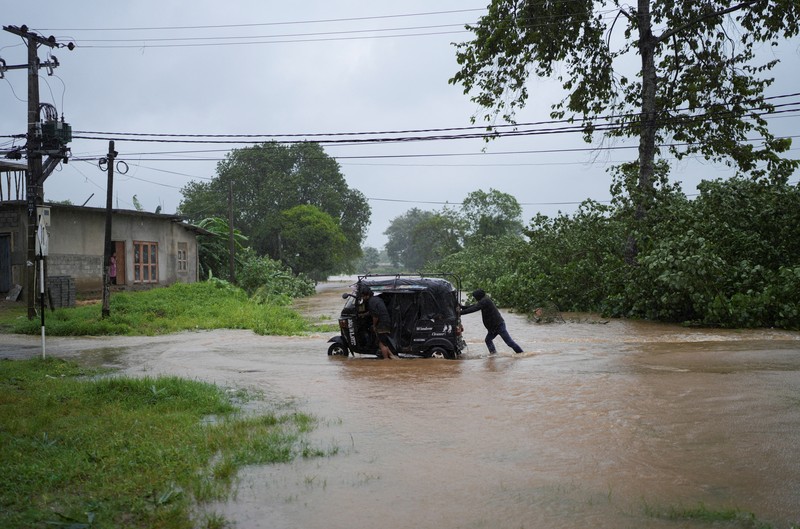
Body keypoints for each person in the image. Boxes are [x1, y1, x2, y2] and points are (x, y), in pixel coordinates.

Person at [460, 288, 523, 355]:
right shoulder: (484, 300)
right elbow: (474, 306)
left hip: (498, 326)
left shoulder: (485, 301)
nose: (475, 299)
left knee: (509, 342)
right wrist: (463, 307)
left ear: (478, 296)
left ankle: (521, 354)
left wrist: (460, 313)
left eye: (475, 297)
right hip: (493, 327)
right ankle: (493, 354)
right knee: (488, 340)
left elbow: (474, 308)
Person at [360, 286, 398, 359]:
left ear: (366, 295)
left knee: (381, 343)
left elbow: (375, 316)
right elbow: (373, 311)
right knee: (383, 341)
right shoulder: (376, 299)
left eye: (363, 296)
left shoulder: (371, 302)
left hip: (382, 324)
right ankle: (392, 356)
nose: (363, 298)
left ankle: (386, 359)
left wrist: (374, 325)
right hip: (386, 322)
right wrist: (363, 314)